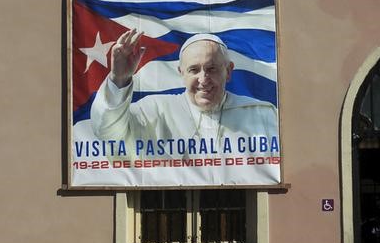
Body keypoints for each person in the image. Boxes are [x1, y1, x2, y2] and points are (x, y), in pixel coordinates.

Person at [90, 29, 279, 159]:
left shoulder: (261, 114)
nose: (203, 79)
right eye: (194, 70)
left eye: (212, 69)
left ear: (228, 72)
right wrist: (119, 79)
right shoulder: (154, 111)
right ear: (181, 73)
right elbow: (107, 132)